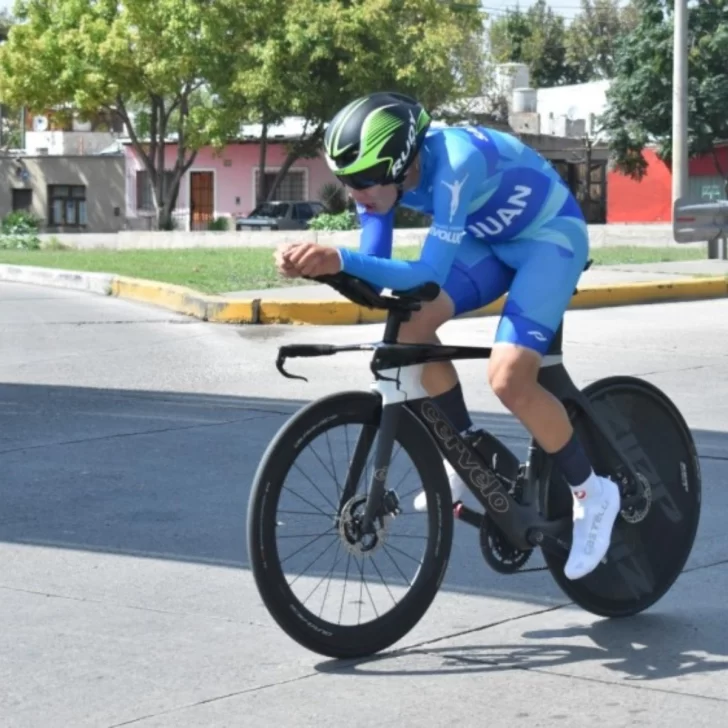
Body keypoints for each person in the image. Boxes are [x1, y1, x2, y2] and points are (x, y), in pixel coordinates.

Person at [274, 91, 621, 581]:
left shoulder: (455, 164)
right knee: (411, 329)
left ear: (399, 167)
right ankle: (468, 453)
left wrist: (341, 259)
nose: (355, 194)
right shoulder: (381, 185)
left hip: (549, 239)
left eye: (363, 182)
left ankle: (593, 491)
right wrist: (317, 267)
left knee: (508, 378)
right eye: (346, 181)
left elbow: (429, 273)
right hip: (492, 241)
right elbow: (381, 285)